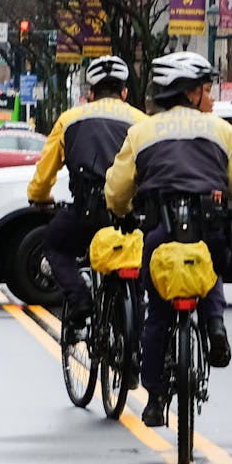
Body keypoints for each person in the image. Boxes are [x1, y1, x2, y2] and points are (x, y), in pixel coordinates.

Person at [105, 51, 232, 428]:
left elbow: (118, 189)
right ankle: (215, 327)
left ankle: (156, 397)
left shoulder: (141, 132)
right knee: (209, 270)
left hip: (160, 232)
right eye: (206, 90)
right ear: (190, 93)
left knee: (157, 311)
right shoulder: (223, 131)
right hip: (209, 230)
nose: (210, 98)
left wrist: (122, 212)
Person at [27, 55, 145, 328]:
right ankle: (134, 330)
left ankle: (80, 297)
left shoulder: (69, 119)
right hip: (129, 213)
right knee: (140, 262)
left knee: (55, 244)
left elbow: (45, 172)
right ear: (124, 92)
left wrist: (40, 196)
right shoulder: (142, 121)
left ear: (90, 94)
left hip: (87, 211)